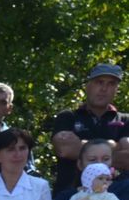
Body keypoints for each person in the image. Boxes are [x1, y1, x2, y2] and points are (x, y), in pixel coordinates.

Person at [50, 64, 129, 193]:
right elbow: (65, 149)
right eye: (99, 82)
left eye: (111, 84)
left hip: (117, 199)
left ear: (116, 89)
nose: (104, 88)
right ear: (88, 86)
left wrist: (84, 151)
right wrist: (113, 146)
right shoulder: (67, 117)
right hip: (71, 196)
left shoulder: (126, 120)